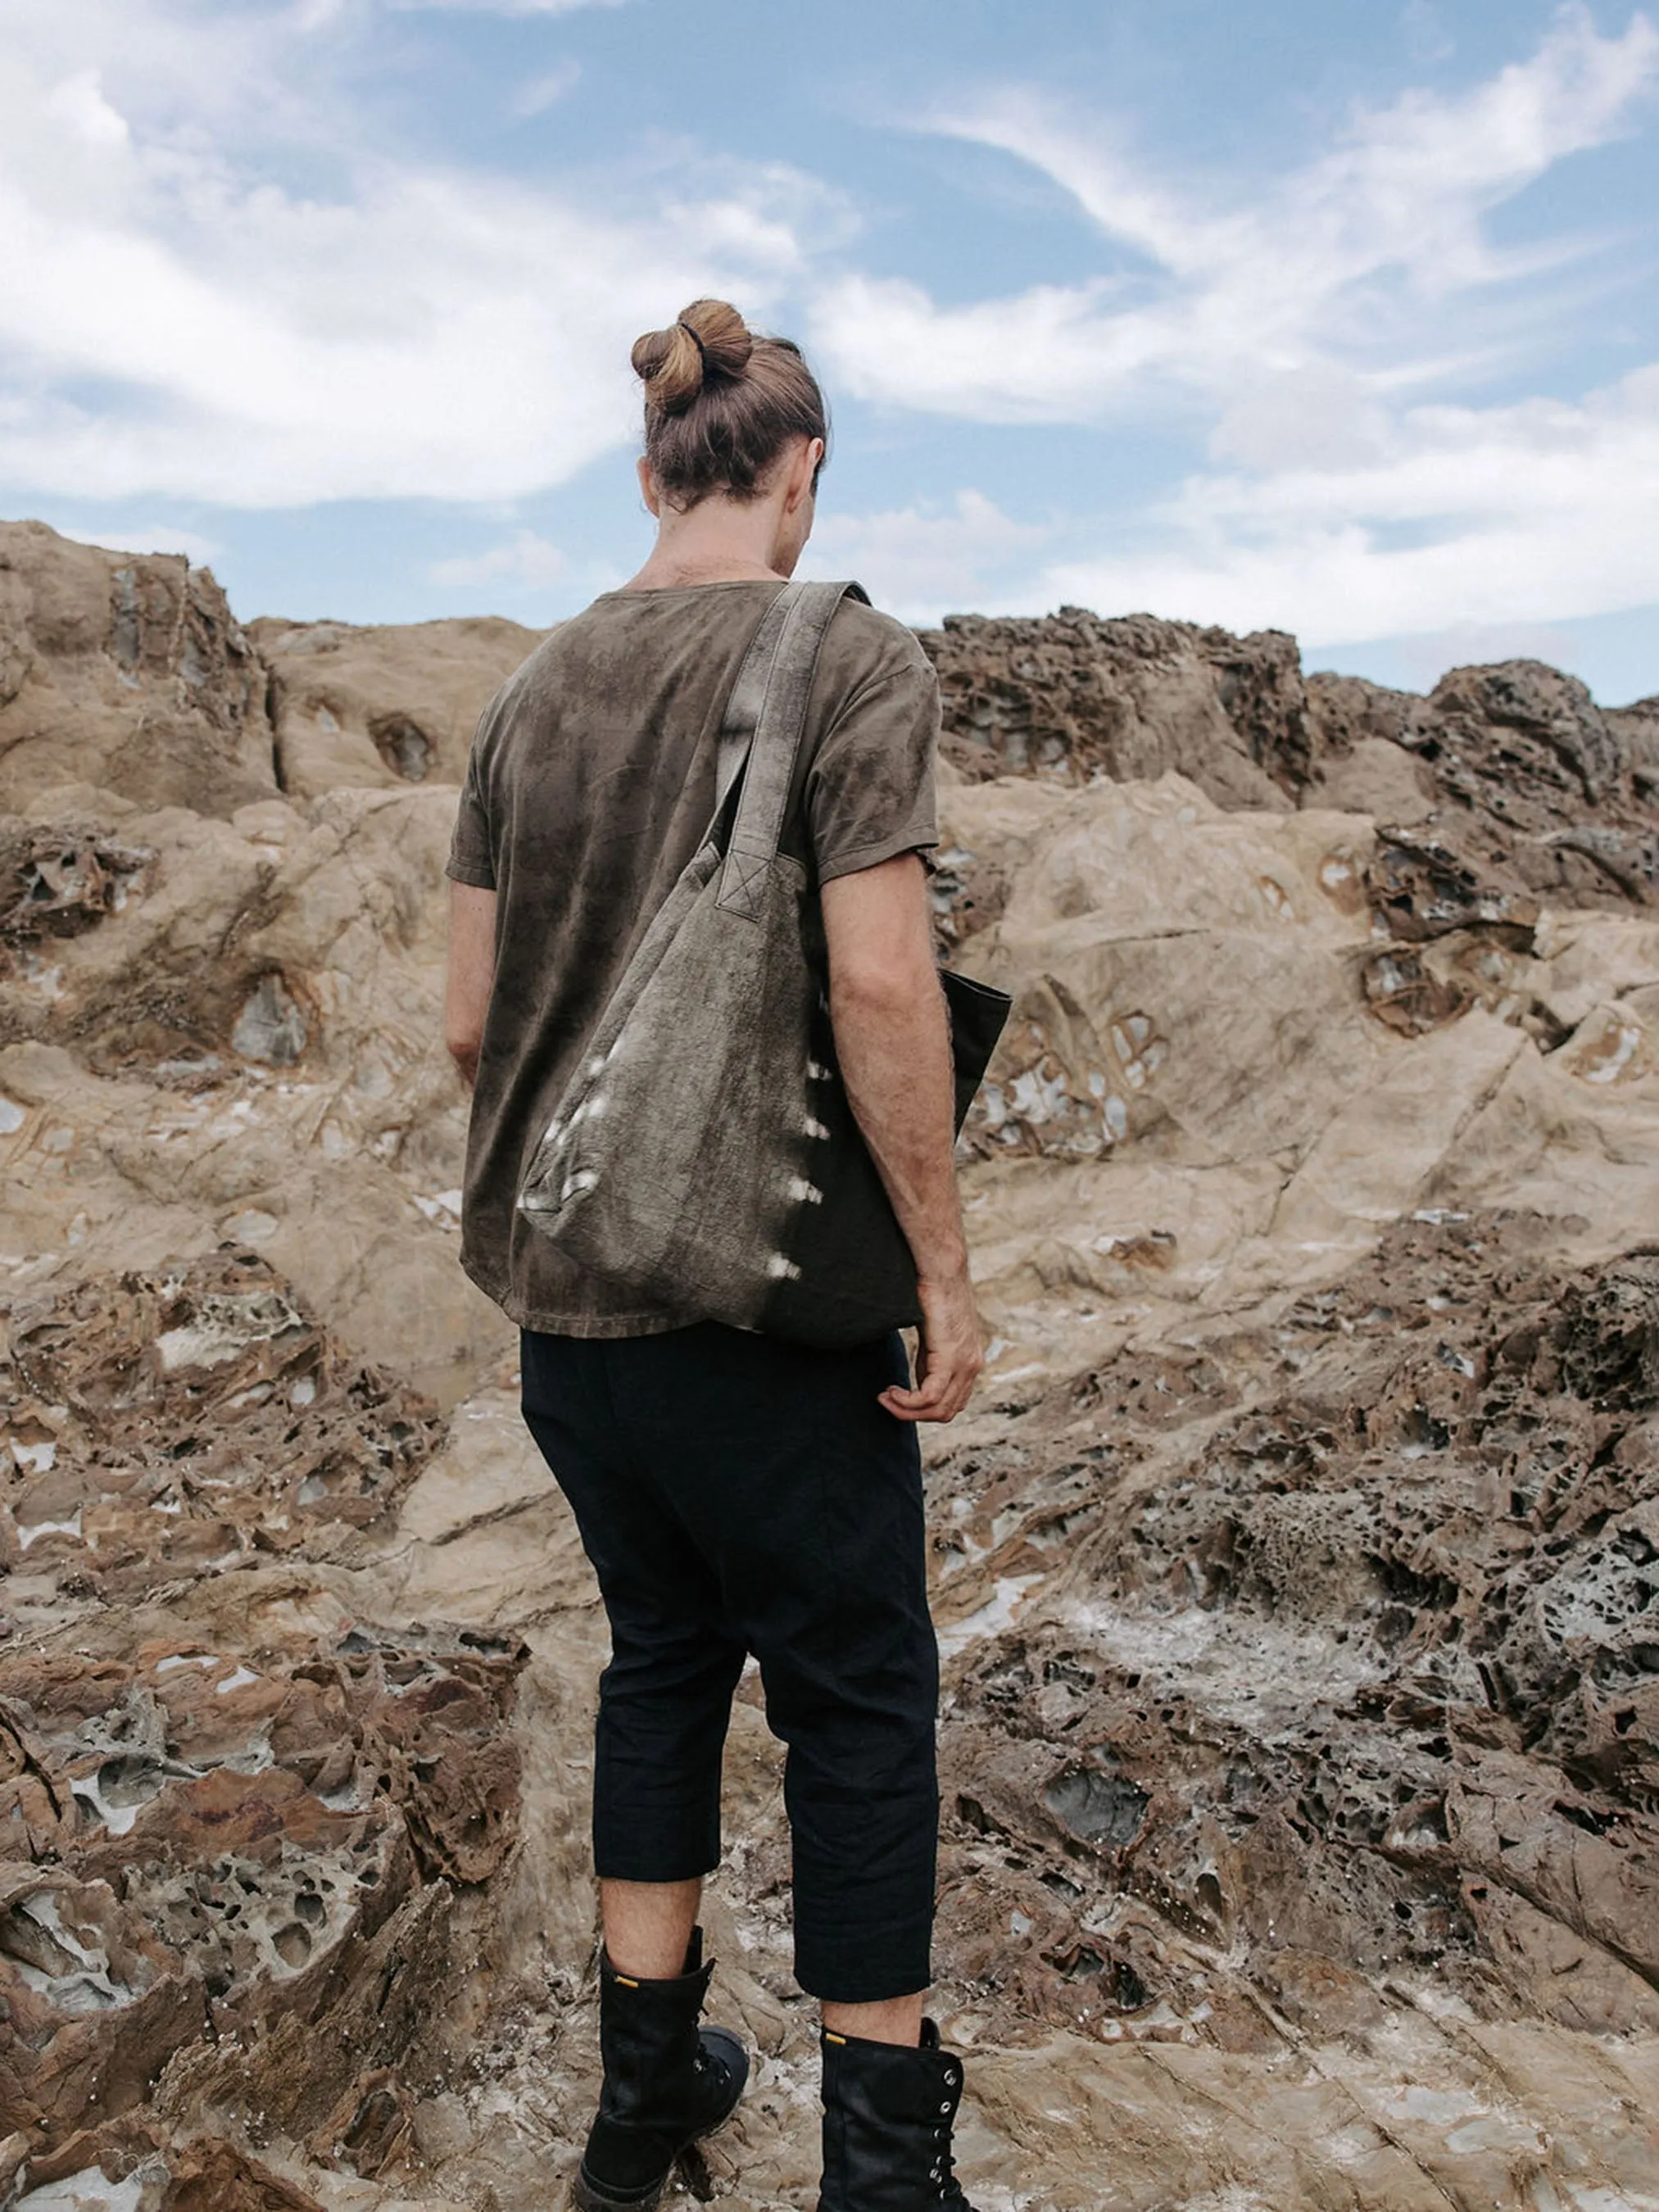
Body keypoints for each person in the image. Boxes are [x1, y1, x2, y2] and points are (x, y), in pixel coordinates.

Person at [444, 297, 985, 2211]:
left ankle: (640, 2101)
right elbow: (873, 979)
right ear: (803, 471)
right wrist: (940, 1260)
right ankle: (879, 2169)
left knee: (662, 1662)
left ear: (651, 462)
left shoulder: (532, 691)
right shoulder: (843, 656)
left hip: (570, 1321)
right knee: (854, 1696)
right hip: (756, 1307)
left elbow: (465, 1022)